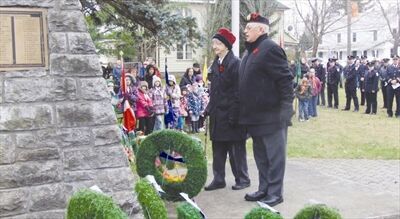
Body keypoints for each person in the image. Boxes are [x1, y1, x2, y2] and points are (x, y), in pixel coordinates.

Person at [238, 13, 294, 207]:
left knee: (275, 157)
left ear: (261, 30)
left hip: (272, 116)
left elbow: (286, 80)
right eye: (245, 27)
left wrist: (286, 109)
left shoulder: (270, 49)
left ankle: (275, 193)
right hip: (254, 118)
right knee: (261, 156)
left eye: (249, 27)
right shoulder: (249, 52)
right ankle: (264, 189)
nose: (245, 30)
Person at [204, 27, 250, 191]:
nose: (214, 46)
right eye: (214, 43)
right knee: (218, 149)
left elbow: (238, 92)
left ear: (226, 45)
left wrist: (234, 115)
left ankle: (242, 179)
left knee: (235, 150)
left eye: (217, 43)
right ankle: (219, 179)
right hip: (218, 115)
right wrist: (208, 109)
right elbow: (215, 92)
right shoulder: (216, 63)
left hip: (232, 115)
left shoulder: (235, 63)